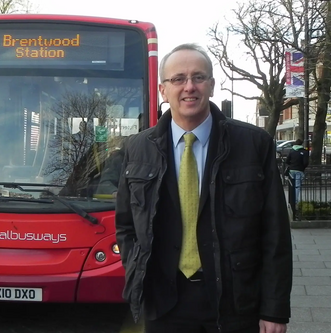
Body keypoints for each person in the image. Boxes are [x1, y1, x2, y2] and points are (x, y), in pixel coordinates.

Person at [115, 43, 292, 333]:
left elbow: (275, 233)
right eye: (178, 79)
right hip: (164, 305)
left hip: (235, 304)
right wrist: (137, 270)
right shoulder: (138, 148)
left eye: (198, 77)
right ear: (163, 90)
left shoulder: (253, 144)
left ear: (211, 85)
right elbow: (126, 225)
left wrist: (274, 309)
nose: (189, 87)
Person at [285, 138, 309, 206]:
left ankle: (291, 200)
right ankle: (295, 201)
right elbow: (305, 163)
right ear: (301, 144)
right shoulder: (304, 152)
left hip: (291, 170)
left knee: (292, 185)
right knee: (297, 186)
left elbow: (287, 161)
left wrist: (292, 164)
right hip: (299, 170)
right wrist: (302, 167)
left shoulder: (292, 151)